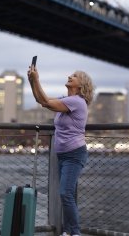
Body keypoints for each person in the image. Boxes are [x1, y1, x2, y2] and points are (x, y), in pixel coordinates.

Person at [27, 65, 94, 236]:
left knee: (65, 193)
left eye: (74, 76)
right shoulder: (66, 100)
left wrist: (36, 80)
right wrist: (31, 81)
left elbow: (47, 102)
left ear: (81, 85)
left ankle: (75, 232)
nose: (70, 76)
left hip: (74, 154)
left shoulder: (77, 102)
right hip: (63, 155)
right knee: (67, 194)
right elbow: (41, 101)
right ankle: (68, 230)